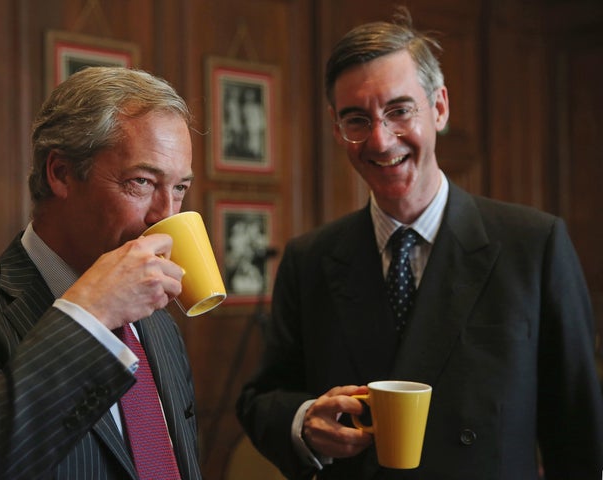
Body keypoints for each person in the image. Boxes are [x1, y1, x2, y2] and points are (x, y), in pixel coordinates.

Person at [237, 7, 603, 480]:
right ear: (336, 128)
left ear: (440, 107)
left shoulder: (534, 246)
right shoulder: (309, 260)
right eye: (356, 119)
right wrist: (304, 421)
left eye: (399, 110)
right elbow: (261, 399)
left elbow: (576, 432)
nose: (381, 139)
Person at [0, 67, 202, 479]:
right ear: (60, 173)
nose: (165, 214)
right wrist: (88, 317)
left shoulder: (159, 325)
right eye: (142, 182)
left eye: (179, 188)